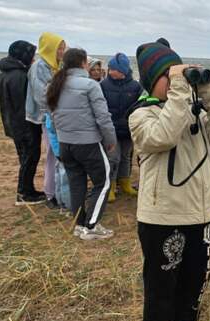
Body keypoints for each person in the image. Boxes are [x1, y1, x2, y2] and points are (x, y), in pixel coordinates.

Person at [129, 42, 210, 321]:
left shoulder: (192, 112)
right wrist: (179, 88)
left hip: (202, 214)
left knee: (195, 280)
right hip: (163, 217)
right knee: (162, 284)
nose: (178, 82)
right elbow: (162, 137)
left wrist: (208, 92)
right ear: (152, 80)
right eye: (167, 75)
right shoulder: (141, 115)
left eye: (178, 75)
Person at [46, 48, 117, 240]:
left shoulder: (56, 84)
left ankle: (79, 224)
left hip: (65, 143)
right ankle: (92, 226)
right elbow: (103, 117)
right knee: (103, 181)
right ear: (83, 63)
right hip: (88, 144)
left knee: (77, 184)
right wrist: (110, 140)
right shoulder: (90, 85)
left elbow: (52, 116)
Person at [0, 40, 46, 205]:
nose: (33, 59)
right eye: (31, 55)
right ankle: (24, 193)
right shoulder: (20, 76)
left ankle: (27, 189)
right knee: (30, 157)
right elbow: (26, 103)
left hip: (12, 123)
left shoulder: (5, 73)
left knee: (25, 157)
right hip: (25, 124)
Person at [25, 32, 66, 209]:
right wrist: (57, 110)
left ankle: (58, 191)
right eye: (59, 48)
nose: (62, 51)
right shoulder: (39, 66)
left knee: (57, 154)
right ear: (50, 48)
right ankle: (51, 194)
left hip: (55, 115)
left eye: (64, 48)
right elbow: (41, 95)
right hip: (47, 117)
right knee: (53, 154)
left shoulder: (55, 65)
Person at [100, 52, 142, 202]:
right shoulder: (103, 85)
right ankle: (110, 186)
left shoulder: (135, 86)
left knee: (125, 157)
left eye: (113, 69)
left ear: (123, 70)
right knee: (113, 158)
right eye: (109, 69)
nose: (110, 72)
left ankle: (125, 183)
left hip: (128, 129)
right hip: (111, 130)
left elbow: (140, 107)